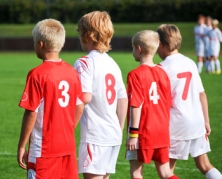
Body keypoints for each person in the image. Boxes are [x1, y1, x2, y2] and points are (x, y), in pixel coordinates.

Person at [17, 18, 84, 179]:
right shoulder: (72, 72)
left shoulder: (37, 74)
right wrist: (68, 129)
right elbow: (80, 106)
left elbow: (31, 112)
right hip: (67, 146)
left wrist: (21, 146)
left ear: (40, 44)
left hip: (43, 149)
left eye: (34, 42)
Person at [157, 24, 222, 179]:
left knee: (167, 171)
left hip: (177, 124)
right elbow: (202, 94)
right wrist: (206, 121)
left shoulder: (161, 68)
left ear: (160, 44)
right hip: (197, 121)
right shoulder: (190, 62)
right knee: (204, 165)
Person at [74, 11, 128, 179]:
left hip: (95, 136)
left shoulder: (84, 62)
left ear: (87, 35)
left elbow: (85, 97)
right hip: (113, 135)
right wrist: (119, 128)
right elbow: (123, 98)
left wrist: (68, 127)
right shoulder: (113, 63)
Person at [125, 30, 179, 179]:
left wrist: (133, 135)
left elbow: (136, 105)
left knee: (136, 172)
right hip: (161, 131)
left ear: (139, 49)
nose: (133, 51)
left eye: (133, 48)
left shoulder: (135, 74)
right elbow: (168, 102)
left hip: (143, 132)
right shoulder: (163, 73)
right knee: (166, 172)